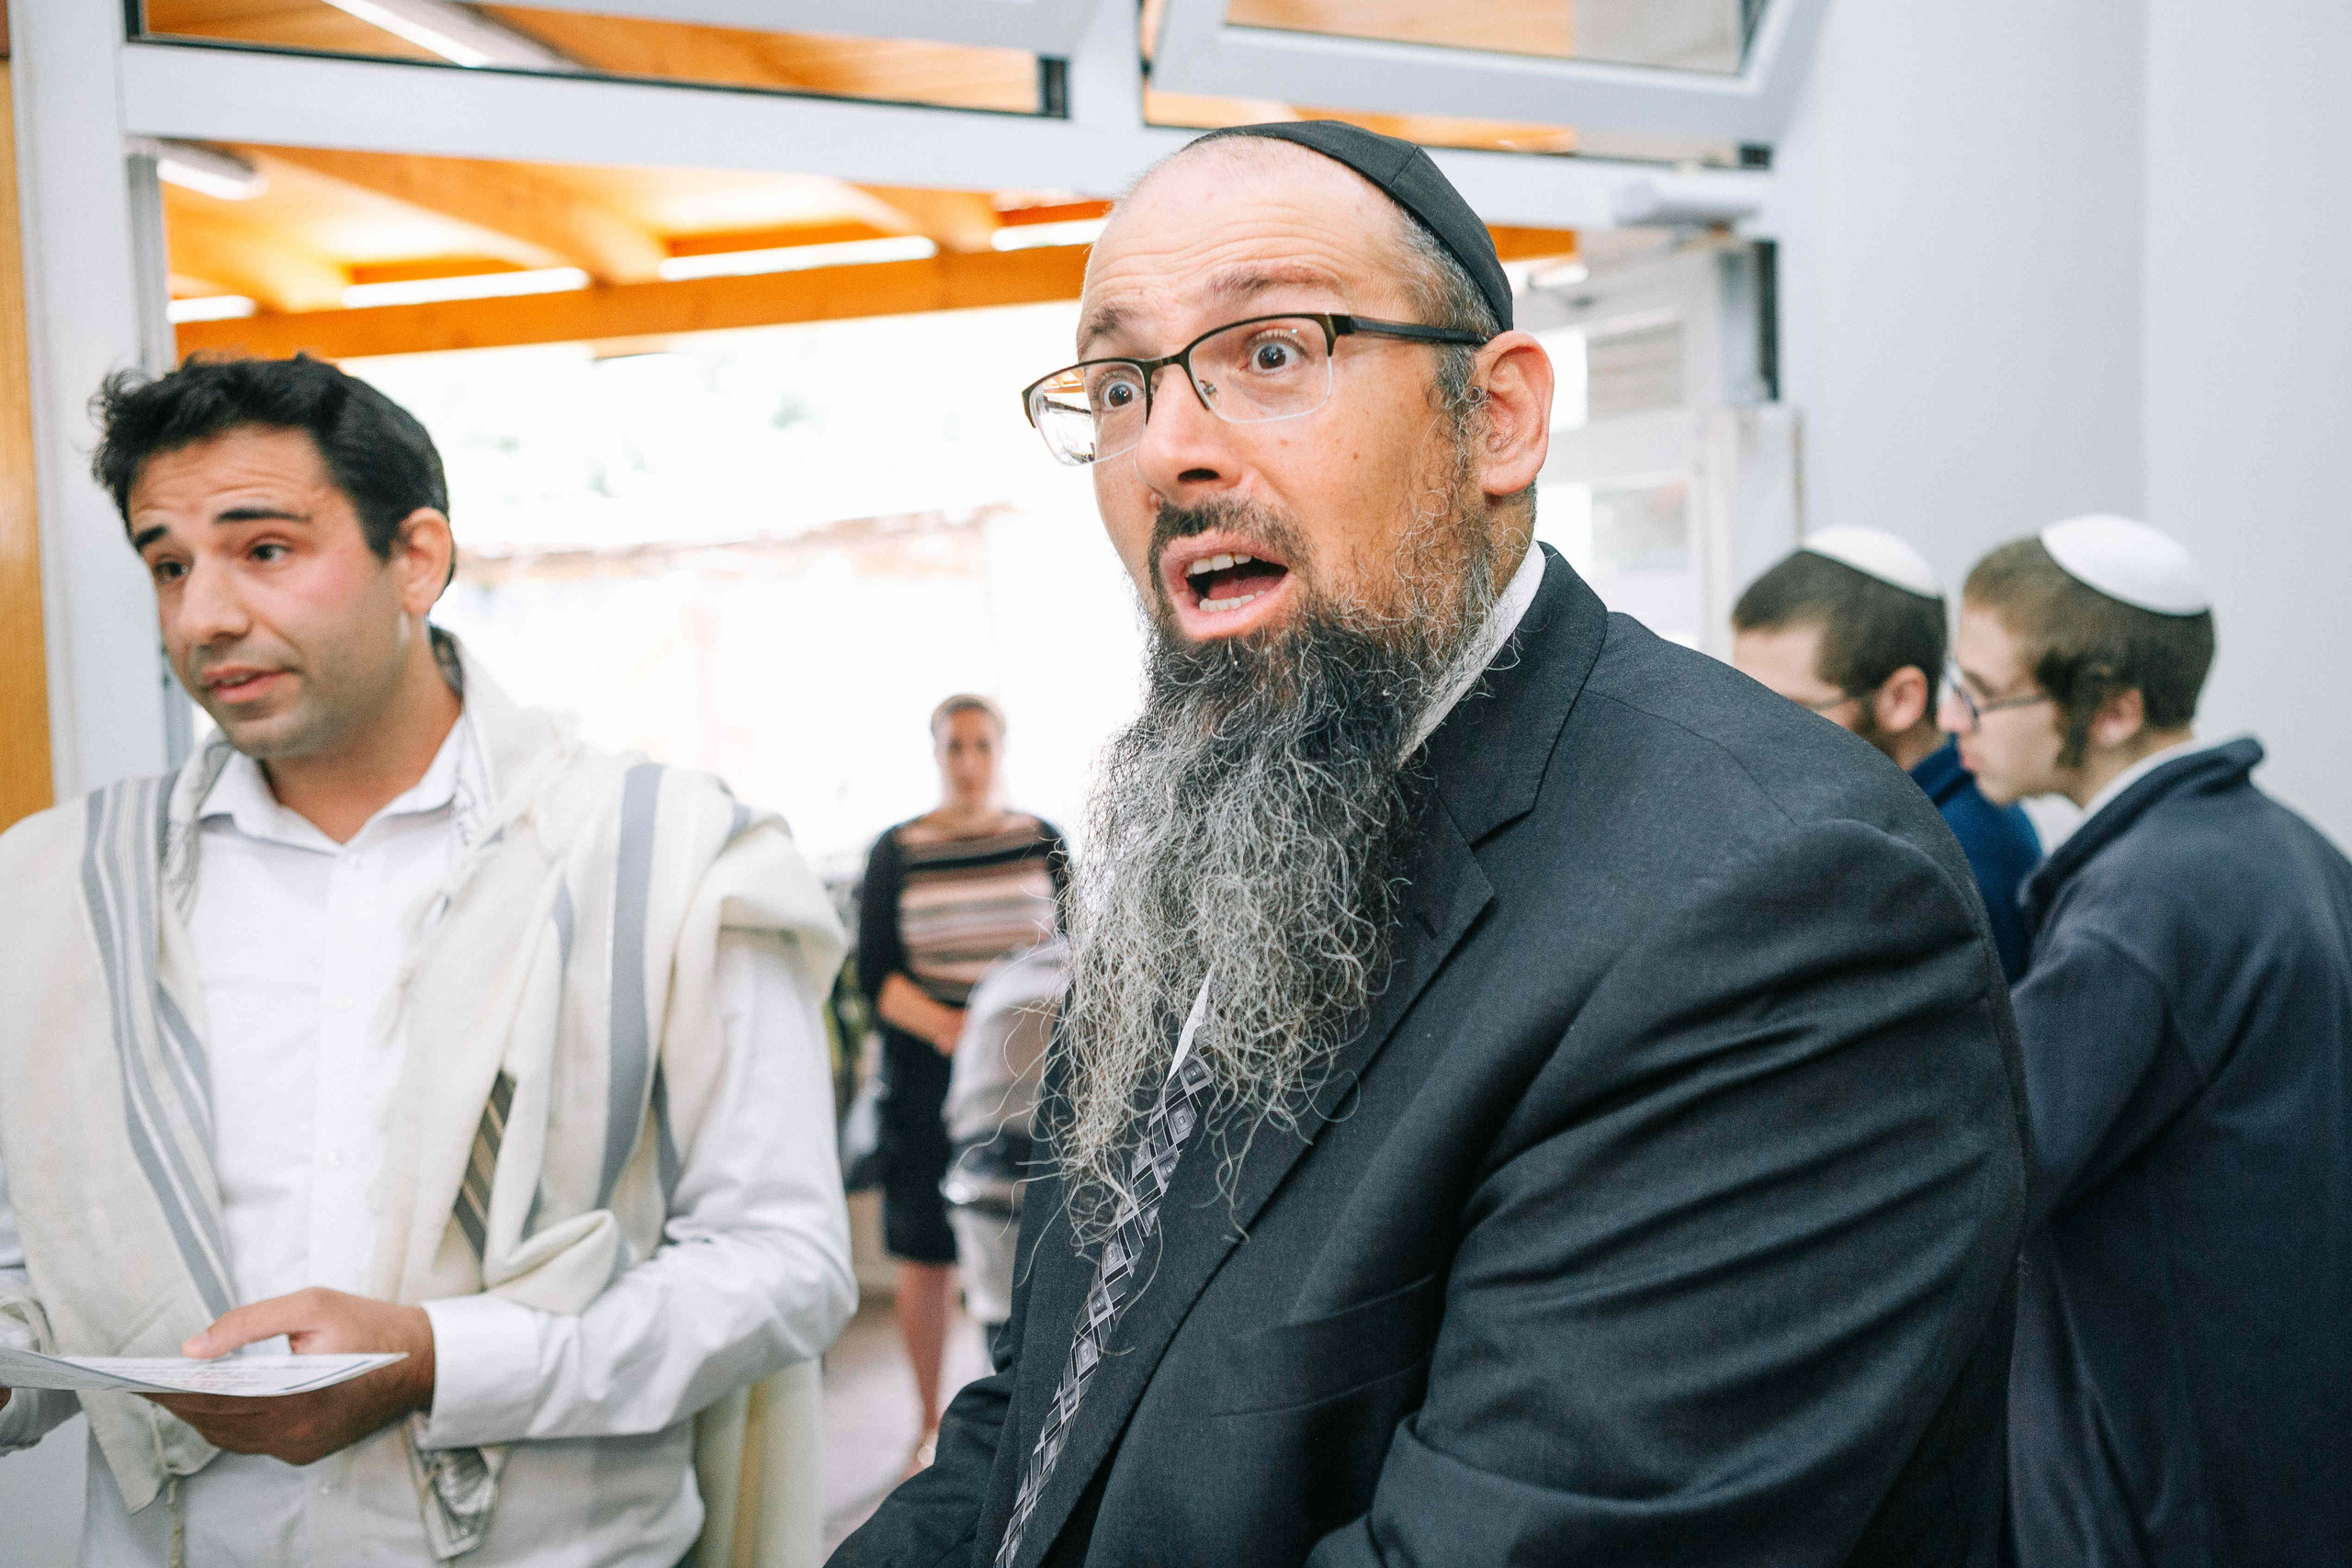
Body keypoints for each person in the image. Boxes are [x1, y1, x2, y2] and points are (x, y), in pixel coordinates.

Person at [833, 120, 2028, 1568]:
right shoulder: (1221, 830)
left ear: (1498, 419)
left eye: (1273, 351)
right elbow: (1043, 1410)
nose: (1170, 448)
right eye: (1123, 382)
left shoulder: (1779, 899)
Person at [0, 355, 856, 1566]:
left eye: (264, 549)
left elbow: (784, 1265)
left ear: (417, 558)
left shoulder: (661, 856)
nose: (202, 618)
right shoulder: (57, 889)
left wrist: (439, 1360)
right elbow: (34, 1269)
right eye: (169, 565)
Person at [1945, 514, 2352, 1567]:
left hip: (2166, 1484)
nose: (1954, 720)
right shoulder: (2286, 846)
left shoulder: (2145, 907)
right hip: (2279, 1449)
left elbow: (1983, 1167)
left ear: (2114, 707)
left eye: (1982, 694)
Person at [856, 697, 1065, 1472]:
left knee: (1021, 1247)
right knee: (927, 1250)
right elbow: (876, 973)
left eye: (981, 745)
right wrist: (957, 1028)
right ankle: (926, 1422)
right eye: (955, 747)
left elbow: (1079, 952)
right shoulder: (898, 850)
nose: (968, 761)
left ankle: (1020, 1419)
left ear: (1000, 749)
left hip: (1025, 1081)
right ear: (936, 752)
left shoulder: (1040, 838)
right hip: (927, 1076)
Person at [1733, 528, 2041, 978]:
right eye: (1741, 700)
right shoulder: (1883, 807)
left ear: (1900, 700)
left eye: (1790, 709)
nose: (1751, 736)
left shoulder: (1950, 855)